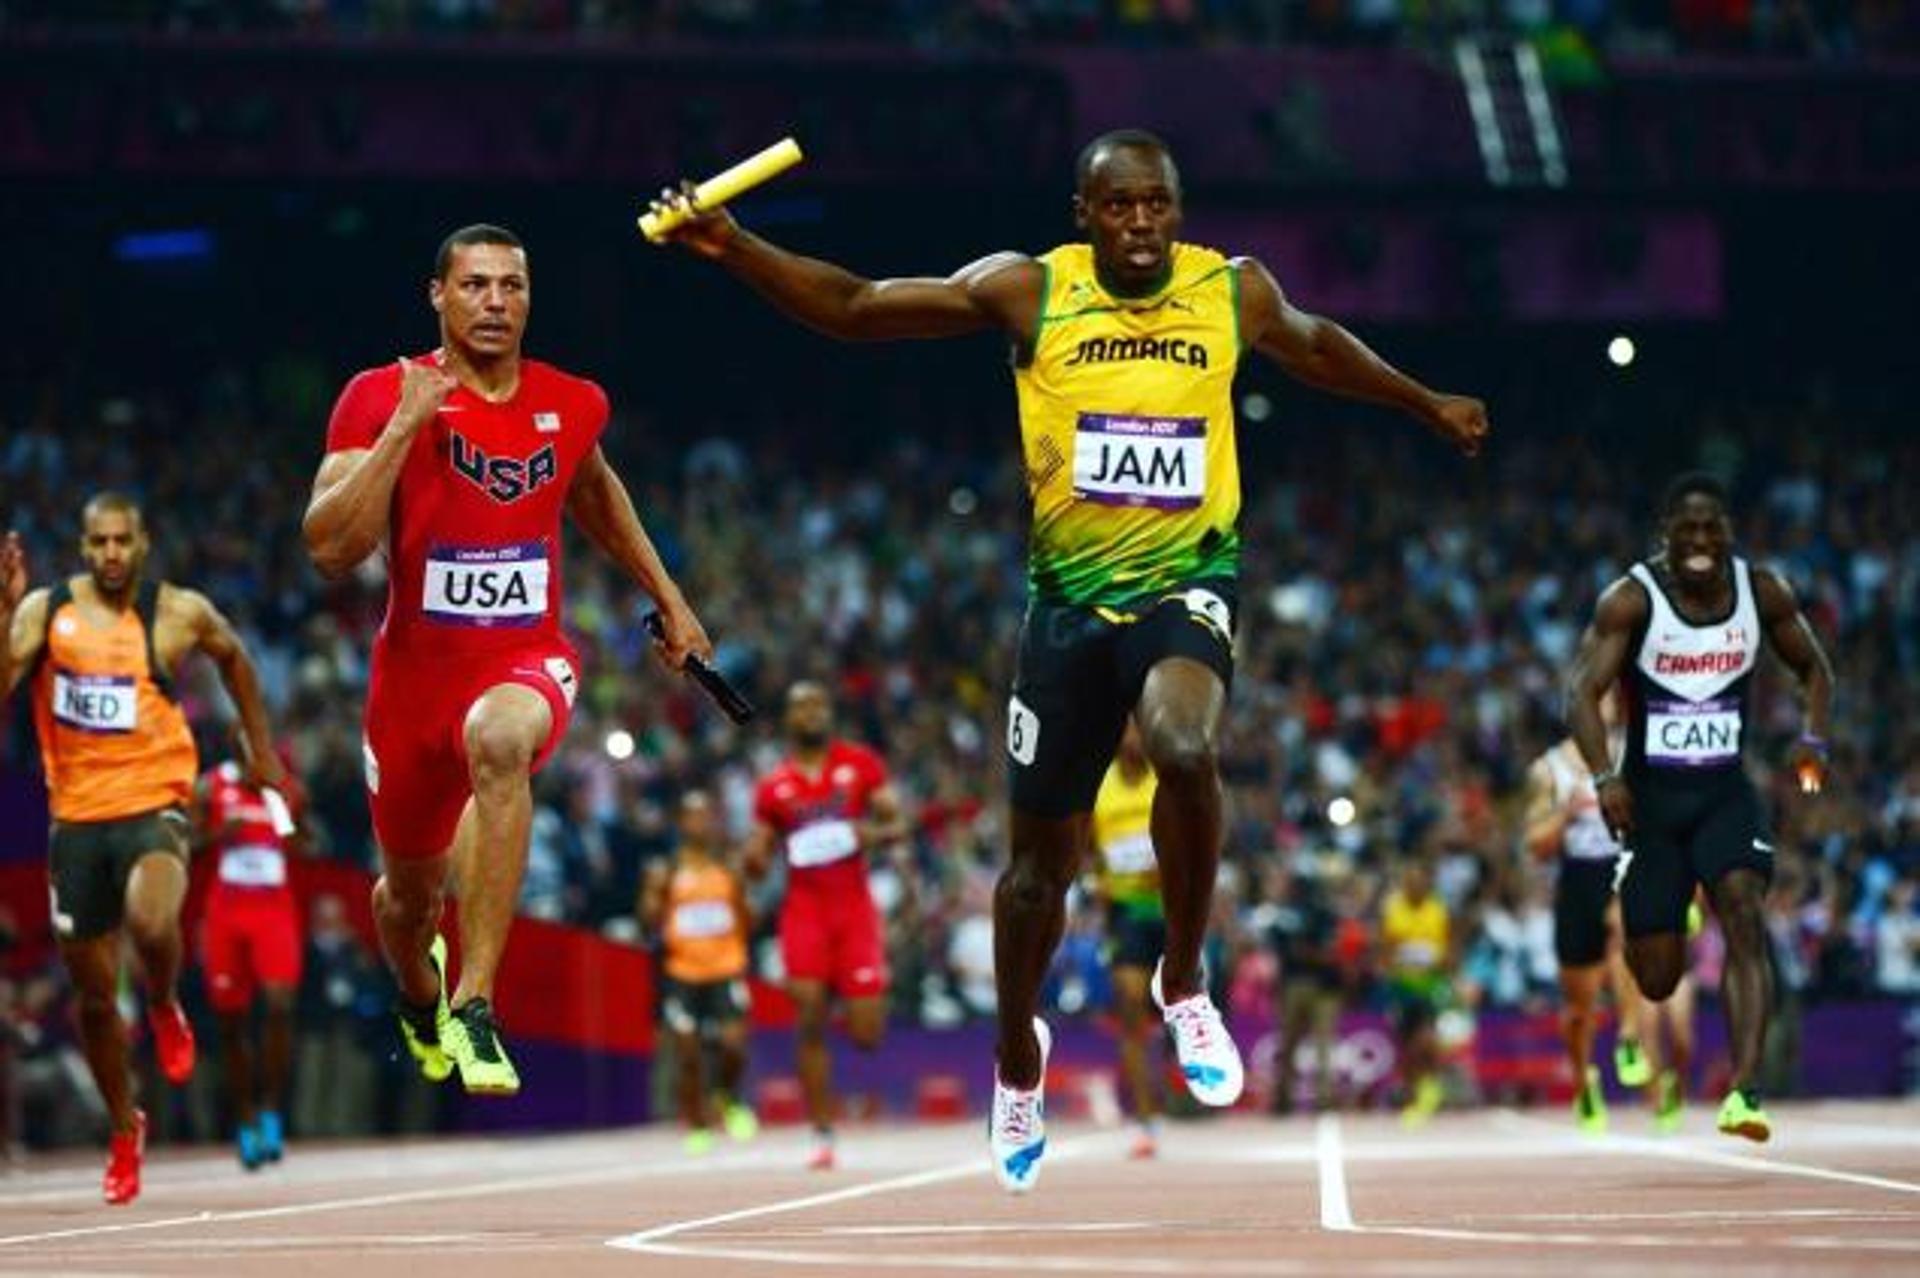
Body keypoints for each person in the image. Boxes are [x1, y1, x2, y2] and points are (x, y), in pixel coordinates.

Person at [654, 128, 1489, 1192]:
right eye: (1121, 206)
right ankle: (1017, 1058)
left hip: (1186, 584)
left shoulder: (1230, 292)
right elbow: (858, 309)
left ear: (1177, 210)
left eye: (1159, 205)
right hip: (1064, 614)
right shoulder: (1028, 292)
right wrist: (734, 245)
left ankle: (1183, 981)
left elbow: (1320, 345)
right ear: (1083, 213)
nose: (1142, 224)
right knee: (1031, 883)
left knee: (1185, 746)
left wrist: (1425, 403)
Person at [302, 224, 714, 1097]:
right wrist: (407, 426)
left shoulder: (572, 402)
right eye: (477, 285)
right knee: (404, 904)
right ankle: (422, 994)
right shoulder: (378, 396)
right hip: (411, 686)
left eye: (512, 287)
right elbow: (331, 548)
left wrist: (669, 597)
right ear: (438, 296)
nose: (496, 302)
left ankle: (478, 1005)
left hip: (525, 657)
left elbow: (594, 490)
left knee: (501, 740)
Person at [0, 496, 285, 1204]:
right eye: (98, 542)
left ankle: (162, 1002)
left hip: (155, 802)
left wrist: (260, 746)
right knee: (94, 1001)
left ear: (144, 543)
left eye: (123, 541)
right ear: (83, 545)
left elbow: (235, 657)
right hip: (75, 819)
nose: (111, 554)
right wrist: (5, 614)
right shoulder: (46, 609)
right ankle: (126, 1131)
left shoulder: (177, 610)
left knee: (154, 922)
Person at [1568, 471, 1834, 1142]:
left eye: (1710, 527)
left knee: (1744, 911)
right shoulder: (1631, 600)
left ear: (1728, 533)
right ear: (1666, 535)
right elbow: (1581, 694)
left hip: (1724, 796)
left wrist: (1812, 737)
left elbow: (1815, 669)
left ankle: (1745, 1091)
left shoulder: (1762, 591)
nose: (1698, 540)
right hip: (1651, 808)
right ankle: (1659, 899)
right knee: (1657, 980)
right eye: (1685, 528)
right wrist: (1604, 777)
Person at [743, 681, 908, 1171]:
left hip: (854, 911)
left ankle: (859, 988)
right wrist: (752, 859)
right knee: (809, 1016)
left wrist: (867, 832)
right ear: (788, 720)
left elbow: (898, 825)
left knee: (866, 1034)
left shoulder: (860, 766)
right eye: (800, 707)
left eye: (818, 704)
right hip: (805, 913)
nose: (810, 713)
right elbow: (757, 855)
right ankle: (822, 1131)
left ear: (829, 714)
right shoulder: (774, 787)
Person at [1521, 691, 1654, 1134]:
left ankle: (1630, 1036)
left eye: (1612, 701)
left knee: (1623, 930)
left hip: (1622, 869)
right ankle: (1583, 1078)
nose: (1608, 710)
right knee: (1579, 1010)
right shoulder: (1548, 769)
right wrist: (1569, 811)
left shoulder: (1636, 755)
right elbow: (1535, 845)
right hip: (1576, 881)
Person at [192, 747, 304, 1168]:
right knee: (231, 1022)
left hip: (273, 911)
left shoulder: (286, 791)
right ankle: (244, 1119)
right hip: (227, 912)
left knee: (279, 1007)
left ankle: (272, 1110)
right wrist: (220, 835)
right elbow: (185, 843)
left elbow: (308, 843)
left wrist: (294, 833)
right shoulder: (211, 786)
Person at [640, 790, 758, 1156]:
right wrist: (654, 894)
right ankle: (697, 1122)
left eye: (706, 815)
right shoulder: (667, 870)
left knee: (733, 1046)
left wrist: (744, 894)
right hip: (683, 973)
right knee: (688, 1053)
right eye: (692, 816)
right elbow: (648, 922)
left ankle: (728, 1097)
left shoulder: (729, 869)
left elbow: (750, 920)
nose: (700, 822)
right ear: (681, 823)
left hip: (725, 969)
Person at [1087, 719, 1164, 1158]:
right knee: (1132, 1005)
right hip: (1127, 912)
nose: (1133, 738)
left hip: (1172, 907)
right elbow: (1086, 848)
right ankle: (1145, 1117)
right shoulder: (1099, 786)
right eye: (1125, 730)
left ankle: (1180, 1093)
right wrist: (1094, 877)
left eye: (1140, 731)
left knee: (1178, 1009)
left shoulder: (1167, 776)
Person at [1379, 860, 1453, 1126]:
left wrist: (1440, 965)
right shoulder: (1393, 909)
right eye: (1411, 881)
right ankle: (1412, 1099)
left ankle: (1430, 1087)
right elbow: (1386, 948)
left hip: (1430, 986)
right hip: (1402, 987)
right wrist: (1394, 966)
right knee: (1408, 1046)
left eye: (1420, 881)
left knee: (1427, 1039)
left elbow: (1447, 946)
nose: (1416, 886)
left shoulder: (1437, 910)